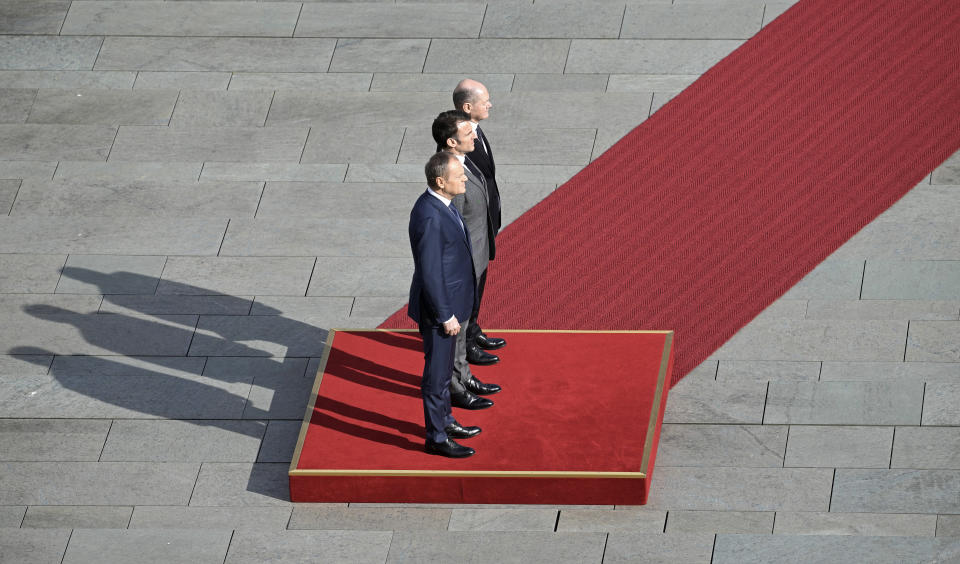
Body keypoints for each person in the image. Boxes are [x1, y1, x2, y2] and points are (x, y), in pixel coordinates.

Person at [408, 152, 482, 458]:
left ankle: (446, 420)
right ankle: (436, 437)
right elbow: (430, 272)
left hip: (452, 306)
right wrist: (445, 315)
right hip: (441, 313)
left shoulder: (443, 206)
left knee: (442, 376)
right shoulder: (429, 216)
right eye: (459, 176)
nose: (465, 179)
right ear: (441, 182)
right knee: (437, 377)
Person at [432, 110, 502, 411]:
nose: (475, 134)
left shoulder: (465, 160)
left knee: (463, 328)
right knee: (455, 331)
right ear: (451, 141)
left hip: (476, 254)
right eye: (467, 133)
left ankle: (464, 376)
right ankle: (457, 386)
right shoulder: (449, 178)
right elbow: (448, 231)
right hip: (461, 268)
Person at [453, 79, 506, 366]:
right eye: (485, 100)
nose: (490, 104)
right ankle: (466, 343)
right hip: (471, 231)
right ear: (467, 107)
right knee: (469, 286)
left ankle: (473, 328)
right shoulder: (459, 138)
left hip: (484, 225)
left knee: (480, 282)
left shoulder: (477, 130)